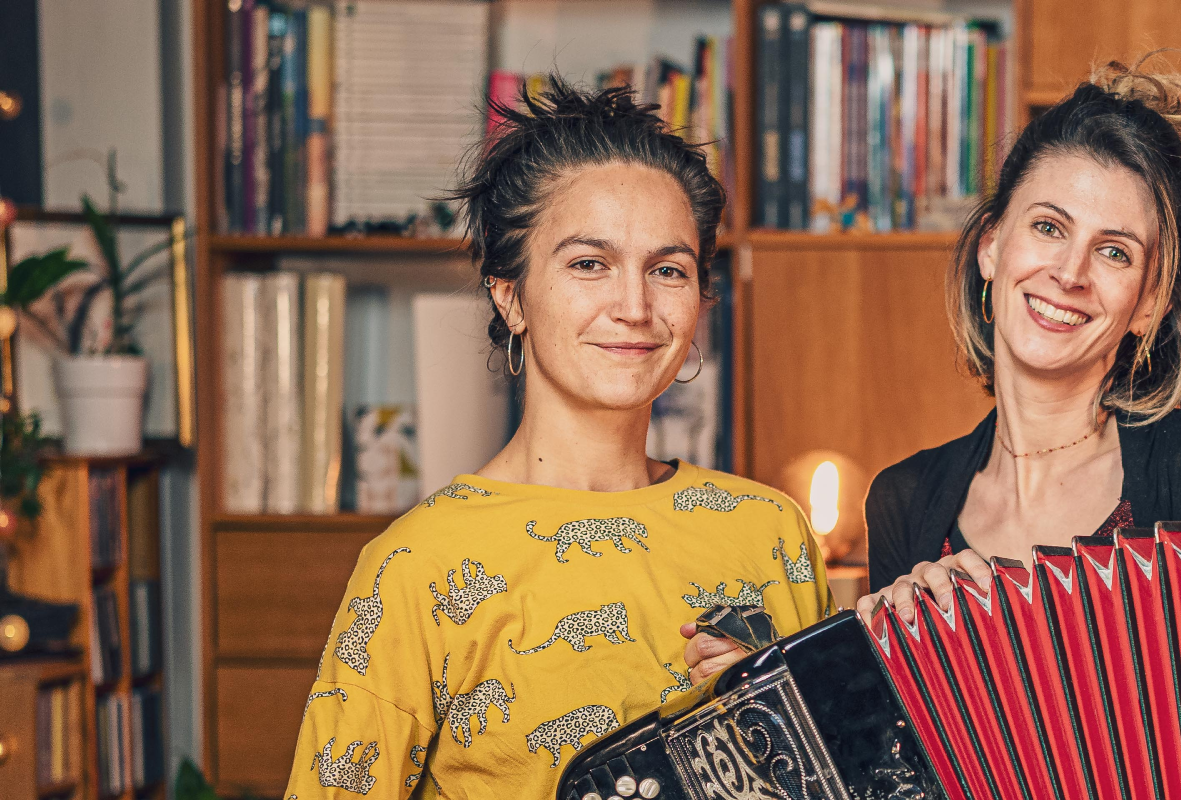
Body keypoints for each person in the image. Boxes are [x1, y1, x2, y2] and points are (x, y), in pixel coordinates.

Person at [281, 83, 831, 798]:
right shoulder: (415, 569)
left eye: (668, 270)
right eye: (588, 264)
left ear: (700, 300)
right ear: (509, 294)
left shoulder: (772, 535)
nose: (634, 308)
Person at [859, 59, 1181, 619]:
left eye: (1114, 252)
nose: (1070, 273)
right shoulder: (901, 499)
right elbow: (895, 712)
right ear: (991, 246)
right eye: (1049, 227)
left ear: (1151, 304)